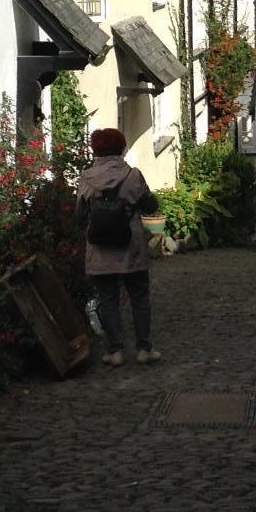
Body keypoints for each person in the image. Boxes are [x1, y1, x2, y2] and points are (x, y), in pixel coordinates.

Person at [75, 127, 161, 368]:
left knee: (107, 298)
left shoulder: (86, 178)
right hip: (131, 247)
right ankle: (144, 348)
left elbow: (80, 215)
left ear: (96, 150)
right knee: (140, 297)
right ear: (121, 148)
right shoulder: (133, 175)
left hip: (100, 248)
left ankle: (115, 351)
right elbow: (150, 206)